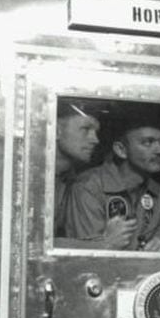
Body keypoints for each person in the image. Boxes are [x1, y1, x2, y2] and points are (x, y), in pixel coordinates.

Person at [64, 109, 160, 251]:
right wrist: (105, 243)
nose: (159, 150)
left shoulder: (159, 194)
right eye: (148, 142)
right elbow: (84, 256)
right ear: (121, 150)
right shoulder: (89, 186)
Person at [54, 100, 101, 239]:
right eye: (85, 129)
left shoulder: (74, 181)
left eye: (95, 132)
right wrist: (104, 245)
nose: (95, 139)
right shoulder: (29, 177)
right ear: (56, 131)